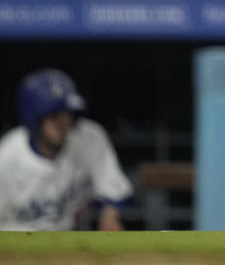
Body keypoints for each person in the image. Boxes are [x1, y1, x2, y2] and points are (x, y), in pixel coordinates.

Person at [0, 69, 132, 230]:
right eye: (54, 116)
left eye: (68, 114)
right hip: (15, 247)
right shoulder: (6, 158)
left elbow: (113, 189)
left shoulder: (88, 139)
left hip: (66, 244)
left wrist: (109, 216)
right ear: (33, 118)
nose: (64, 123)